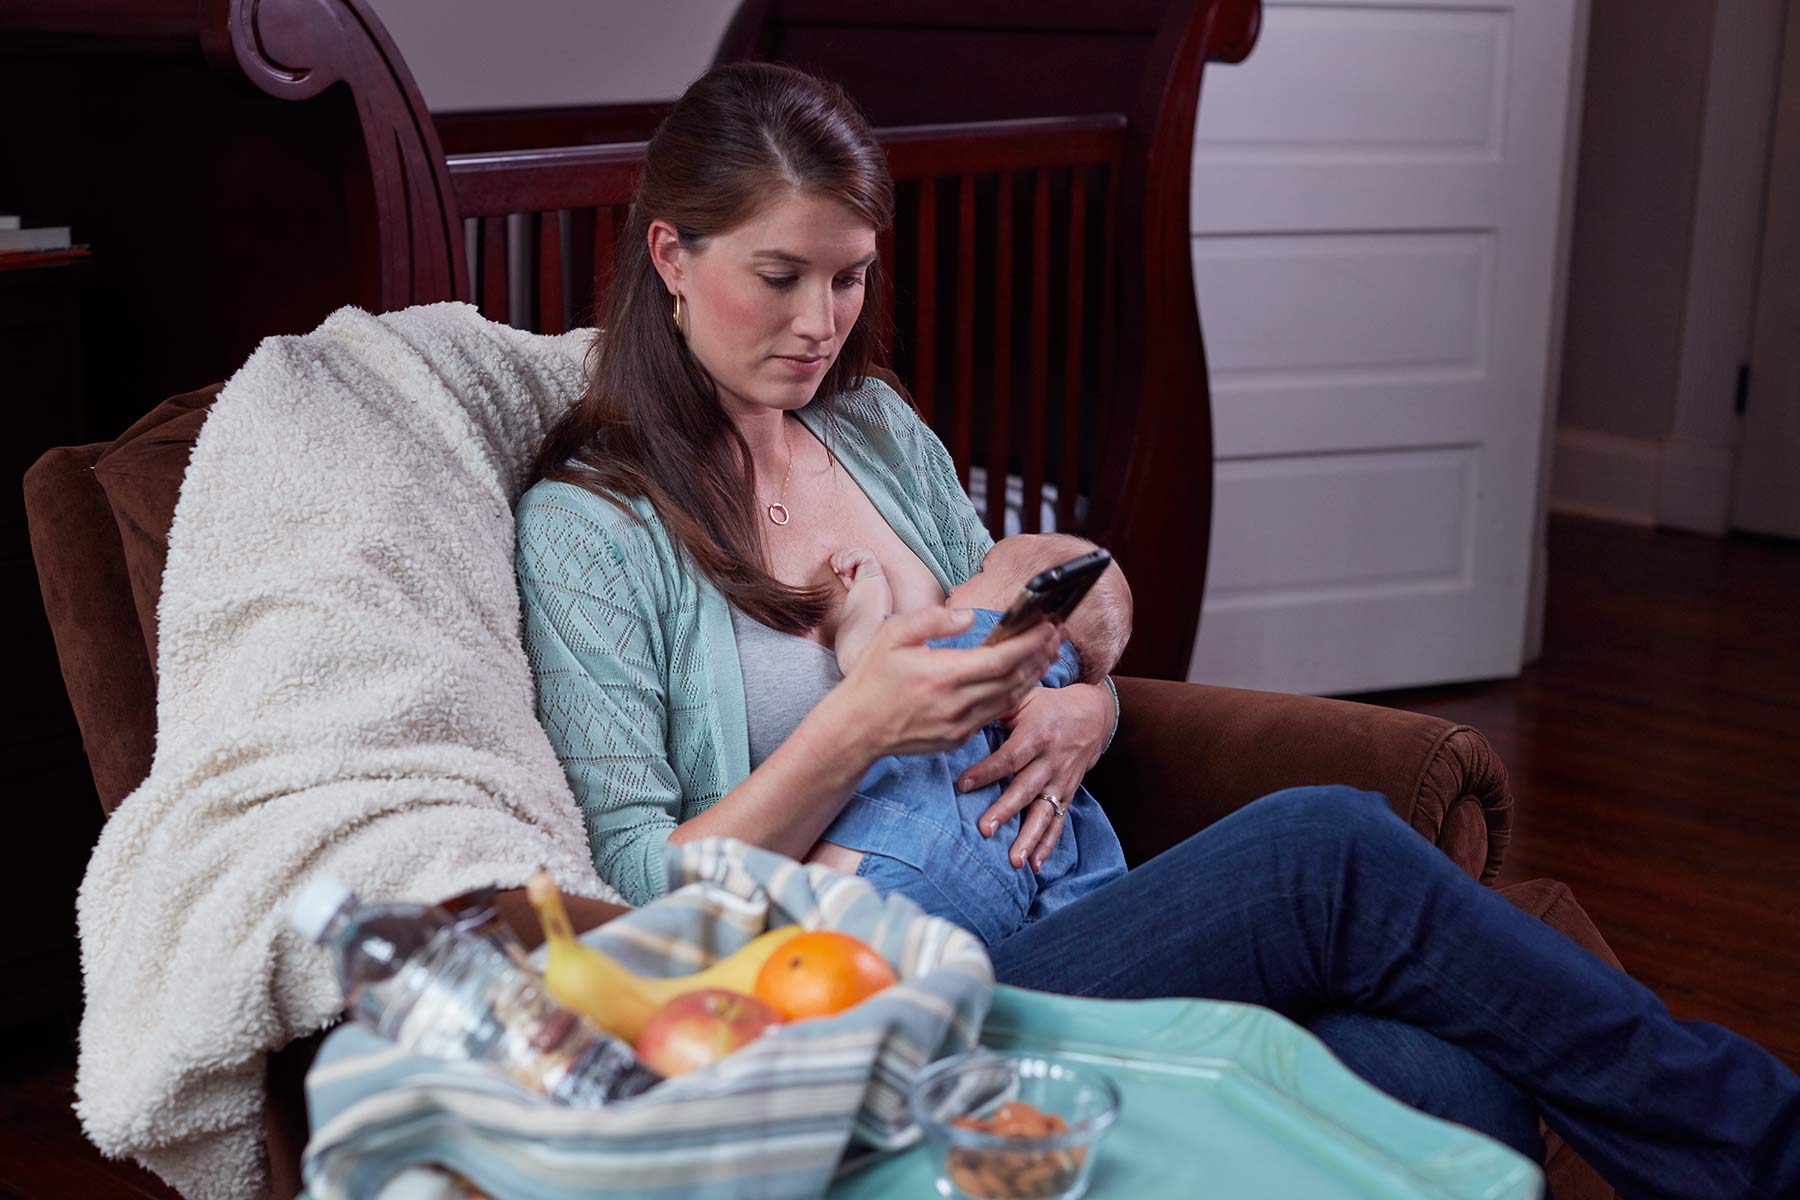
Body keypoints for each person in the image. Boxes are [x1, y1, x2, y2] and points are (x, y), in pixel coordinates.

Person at [513, 60, 1799, 1199]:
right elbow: (631, 888)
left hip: (1063, 906)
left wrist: (1091, 706)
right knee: (1328, 848)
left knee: (1444, 1083)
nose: (819, 324)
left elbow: (1025, 644)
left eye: (849, 278)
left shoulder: (873, 429)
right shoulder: (593, 528)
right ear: (673, 258)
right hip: (873, 991)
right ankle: (1770, 1147)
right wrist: (856, 727)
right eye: (779, 277)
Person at [780, 533, 1131, 946]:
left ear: (1025, 604)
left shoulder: (969, 642)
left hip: (902, 851)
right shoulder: (1058, 742)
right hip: (1000, 897)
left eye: (979, 571)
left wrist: (869, 590)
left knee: (801, 945)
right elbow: (1094, 884)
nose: (955, 583)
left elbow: (865, 659)